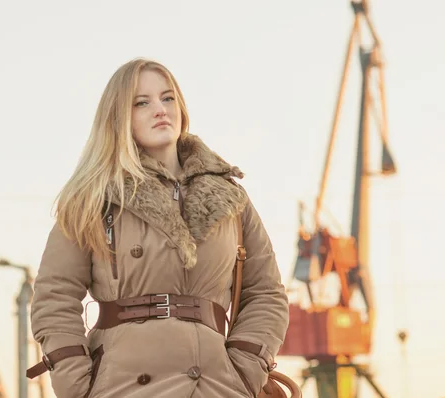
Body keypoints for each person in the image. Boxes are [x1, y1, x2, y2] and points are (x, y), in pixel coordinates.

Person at [27, 58, 289, 398]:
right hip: (122, 386)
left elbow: (266, 292)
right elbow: (55, 295)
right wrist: (77, 384)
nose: (160, 109)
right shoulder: (92, 196)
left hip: (216, 384)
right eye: (142, 102)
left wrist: (245, 366)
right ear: (119, 116)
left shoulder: (230, 196)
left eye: (168, 98)